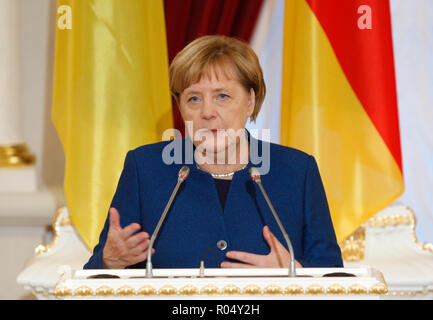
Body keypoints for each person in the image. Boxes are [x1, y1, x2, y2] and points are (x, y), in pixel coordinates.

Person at [84, 35, 343, 270]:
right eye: (194, 99)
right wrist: (109, 262)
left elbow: (335, 281)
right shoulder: (145, 168)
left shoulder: (297, 171)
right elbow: (95, 278)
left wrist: (294, 272)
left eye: (222, 96)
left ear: (250, 101)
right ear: (180, 106)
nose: (207, 112)